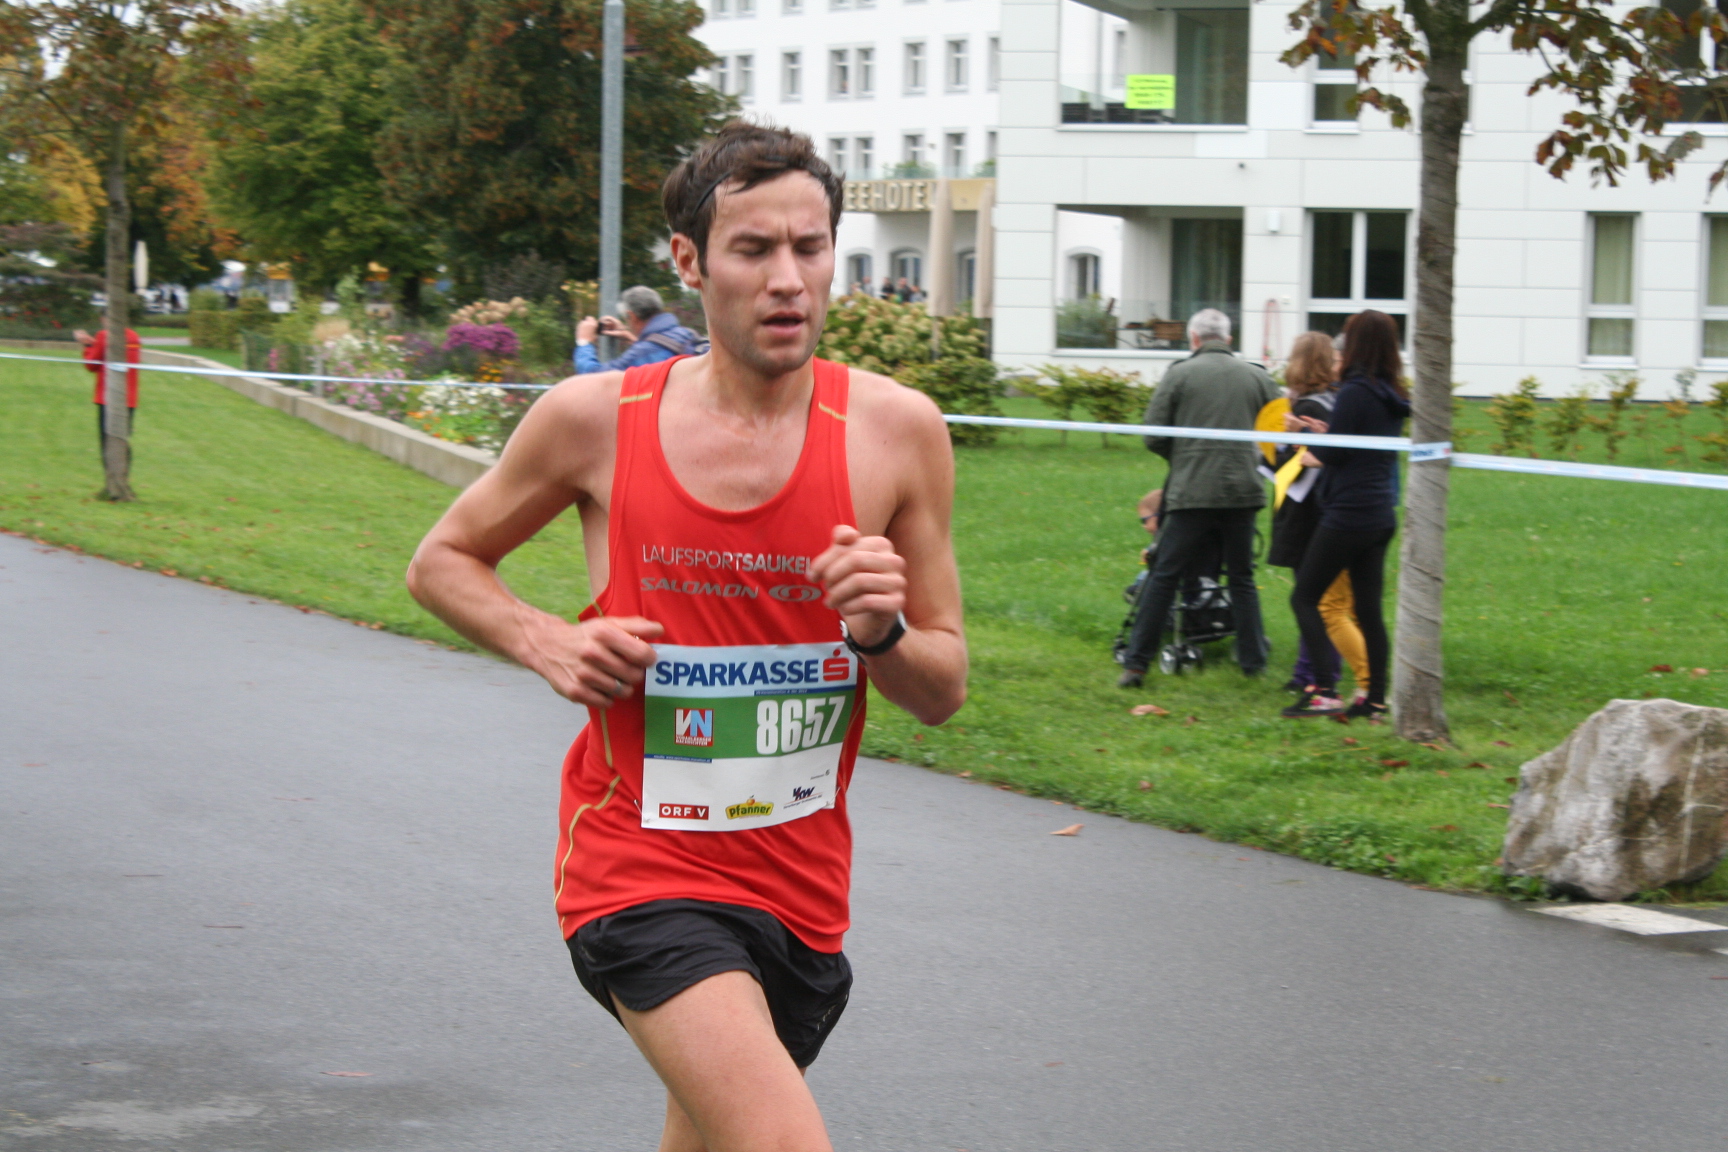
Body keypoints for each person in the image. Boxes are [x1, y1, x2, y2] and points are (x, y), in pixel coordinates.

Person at [406, 121, 967, 1152]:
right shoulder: (593, 420)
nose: (788, 278)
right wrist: (545, 639)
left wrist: (882, 632)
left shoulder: (897, 433)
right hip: (638, 868)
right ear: (689, 261)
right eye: (753, 249)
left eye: (809, 247)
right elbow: (441, 559)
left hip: (801, 892)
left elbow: (943, 688)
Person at [1117, 308, 1280, 687]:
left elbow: (1153, 435)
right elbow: (1278, 432)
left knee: (1164, 575)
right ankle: (1253, 664)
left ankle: (1136, 664)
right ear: (1228, 339)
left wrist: (1185, 459)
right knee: (1241, 577)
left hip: (1191, 492)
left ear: (1193, 339)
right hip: (1243, 492)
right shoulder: (1257, 376)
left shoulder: (1179, 373)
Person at [1281, 310, 1411, 720]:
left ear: (1356, 345)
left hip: (1348, 513)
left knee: (1305, 597)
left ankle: (1325, 690)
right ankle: (1375, 699)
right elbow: (1358, 443)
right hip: (1379, 512)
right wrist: (1326, 434)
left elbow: (1334, 455)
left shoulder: (1355, 390)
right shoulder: (1391, 392)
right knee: (1369, 611)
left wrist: (1305, 436)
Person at [1266, 331, 1369, 700]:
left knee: (1314, 599)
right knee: (1325, 599)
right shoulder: (1335, 399)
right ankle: (1313, 671)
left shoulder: (1308, 406)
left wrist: (1269, 457)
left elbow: (1297, 465)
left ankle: (1317, 675)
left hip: (1309, 511)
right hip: (1332, 507)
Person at [574, 285, 706, 374]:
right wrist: (630, 336)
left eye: (626, 318)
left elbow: (595, 377)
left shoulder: (644, 351)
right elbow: (659, 351)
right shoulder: (687, 333)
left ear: (631, 316)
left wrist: (584, 342)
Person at [75, 326, 142, 450]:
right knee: (122, 440)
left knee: (108, 442)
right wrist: (95, 342)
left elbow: (91, 365)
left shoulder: (104, 335)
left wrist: (87, 345)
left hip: (108, 397)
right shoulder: (134, 336)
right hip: (129, 398)